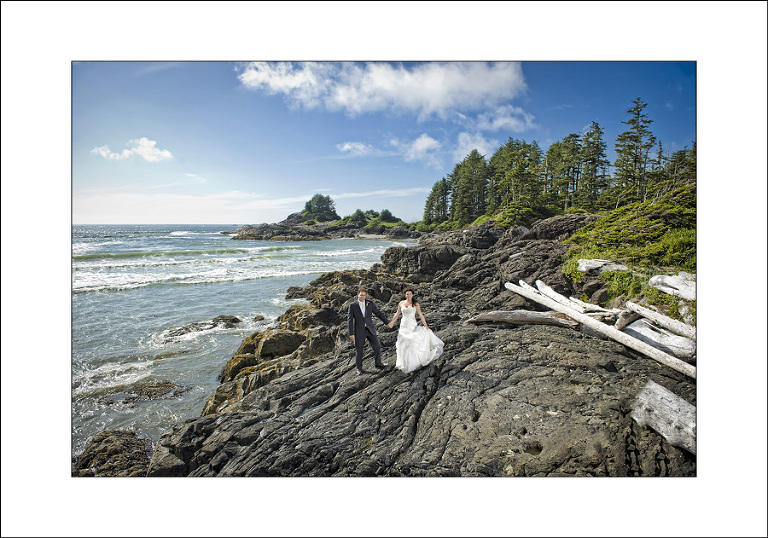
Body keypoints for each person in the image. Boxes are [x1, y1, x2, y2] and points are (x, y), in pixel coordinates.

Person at [387, 287, 444, 374]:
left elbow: (420, 314)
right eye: (407, 294)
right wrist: (391, 322)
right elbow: (397, 314)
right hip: (403, 325)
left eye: (410, 294)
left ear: (412, 294)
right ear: (405, 295)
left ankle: (413, 363)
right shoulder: (401, 303)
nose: (408, 295)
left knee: (411, 342)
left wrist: (426, 325)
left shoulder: (415, 304)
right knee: (402, 343)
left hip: (412, 325)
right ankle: (404, 363)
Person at [348, 288, 390, 375]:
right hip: (359, 331)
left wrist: (387, 322)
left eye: (364, 295)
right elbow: (350, 320)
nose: (362, 297)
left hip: (370, 329)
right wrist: (351, 333)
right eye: (361, 295)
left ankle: (378, 363)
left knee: (377, 345)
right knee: (359, 350)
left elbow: (378, 313)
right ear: (357, 295)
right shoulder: (353, 305)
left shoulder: (369, 303)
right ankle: (359, 369)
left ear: (365, 295)